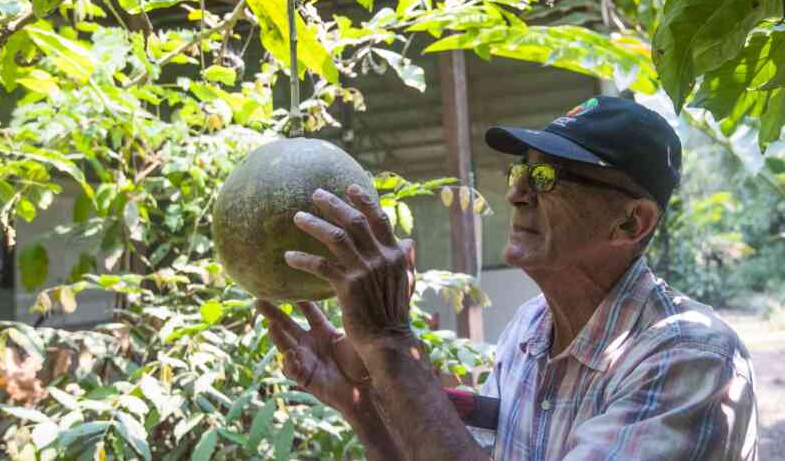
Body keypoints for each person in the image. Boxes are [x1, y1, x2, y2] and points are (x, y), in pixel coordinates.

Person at [256, 96, 758, 460]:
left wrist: (389, 343)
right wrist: (359, 402)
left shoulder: (691, 359)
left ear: (631, 222)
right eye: (521, 173)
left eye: (546, 179)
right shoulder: (528, 329)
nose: (517, 195)